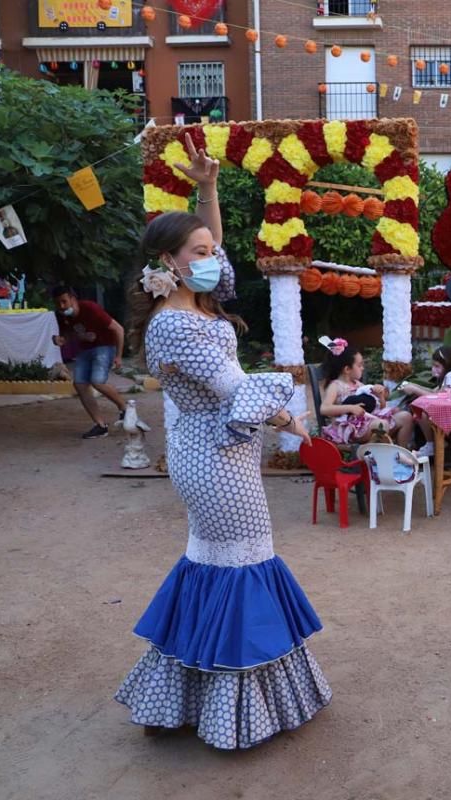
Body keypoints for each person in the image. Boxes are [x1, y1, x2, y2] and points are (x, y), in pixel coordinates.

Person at [114, 133, 333, 749]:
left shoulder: (197, 301)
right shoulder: (180, 325)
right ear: (167, 265)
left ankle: (186, 694)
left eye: (211, 250)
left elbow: (217, 248)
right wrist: (294, 421)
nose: (212, 256)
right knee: (240, 564)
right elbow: (238, 389)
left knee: (218, 564)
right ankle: (232, 708)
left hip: (215, 450)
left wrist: (207, 189)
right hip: (213, 460)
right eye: (199, 251)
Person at [52, 286, 127, 438]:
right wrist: (60, 340)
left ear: (73, 299)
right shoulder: (62, 316)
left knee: (97, 381)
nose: (62, 306)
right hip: (85, 350)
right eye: (58, 303)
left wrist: (118, 356)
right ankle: (100, 425)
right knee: (79, 384)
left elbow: (119, 329)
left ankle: (125, 408)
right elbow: (68, 335)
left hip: (105, 346)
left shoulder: (91, 308)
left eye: (64, 302)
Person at [319, 339, 417, 450]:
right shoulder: (336, 386)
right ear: (347, 369)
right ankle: (377, 455)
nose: (363, 368)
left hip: (371, 422)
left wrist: (380, 397)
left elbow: (379, 409)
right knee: (381, 425)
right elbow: (324, 409)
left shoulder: (359, 385)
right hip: (352, 428)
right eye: (360, 365)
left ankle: (401, 453)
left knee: (406, 417)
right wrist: (350, 408)